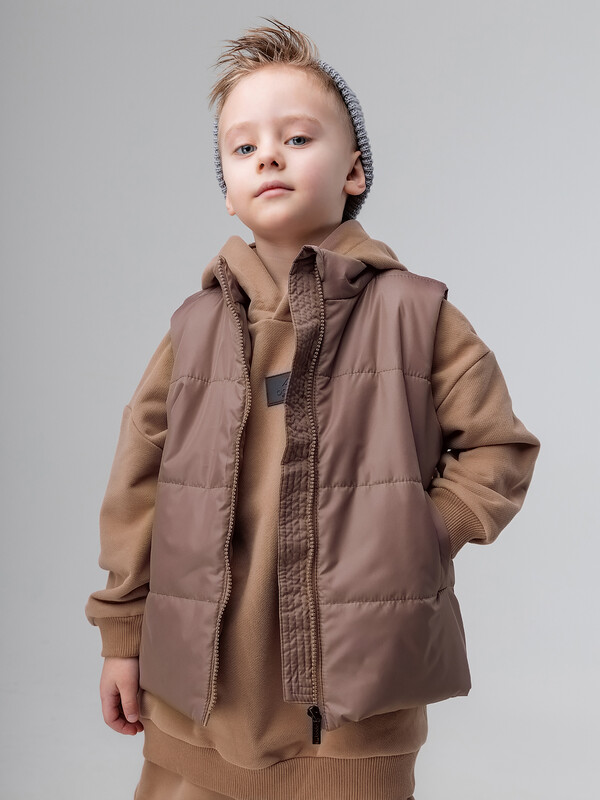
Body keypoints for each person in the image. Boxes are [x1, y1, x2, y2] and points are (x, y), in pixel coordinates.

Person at [85, 18, 540, 800]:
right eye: (243, 147)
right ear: (228, 192)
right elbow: (137, 484)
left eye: (296, 138)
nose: (268, 156)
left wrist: (422, 534)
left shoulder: (415, 314)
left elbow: (499, 447)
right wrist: (121, 636)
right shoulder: (193, 330)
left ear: (354, 170)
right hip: (197, 696)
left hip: (353, 705)